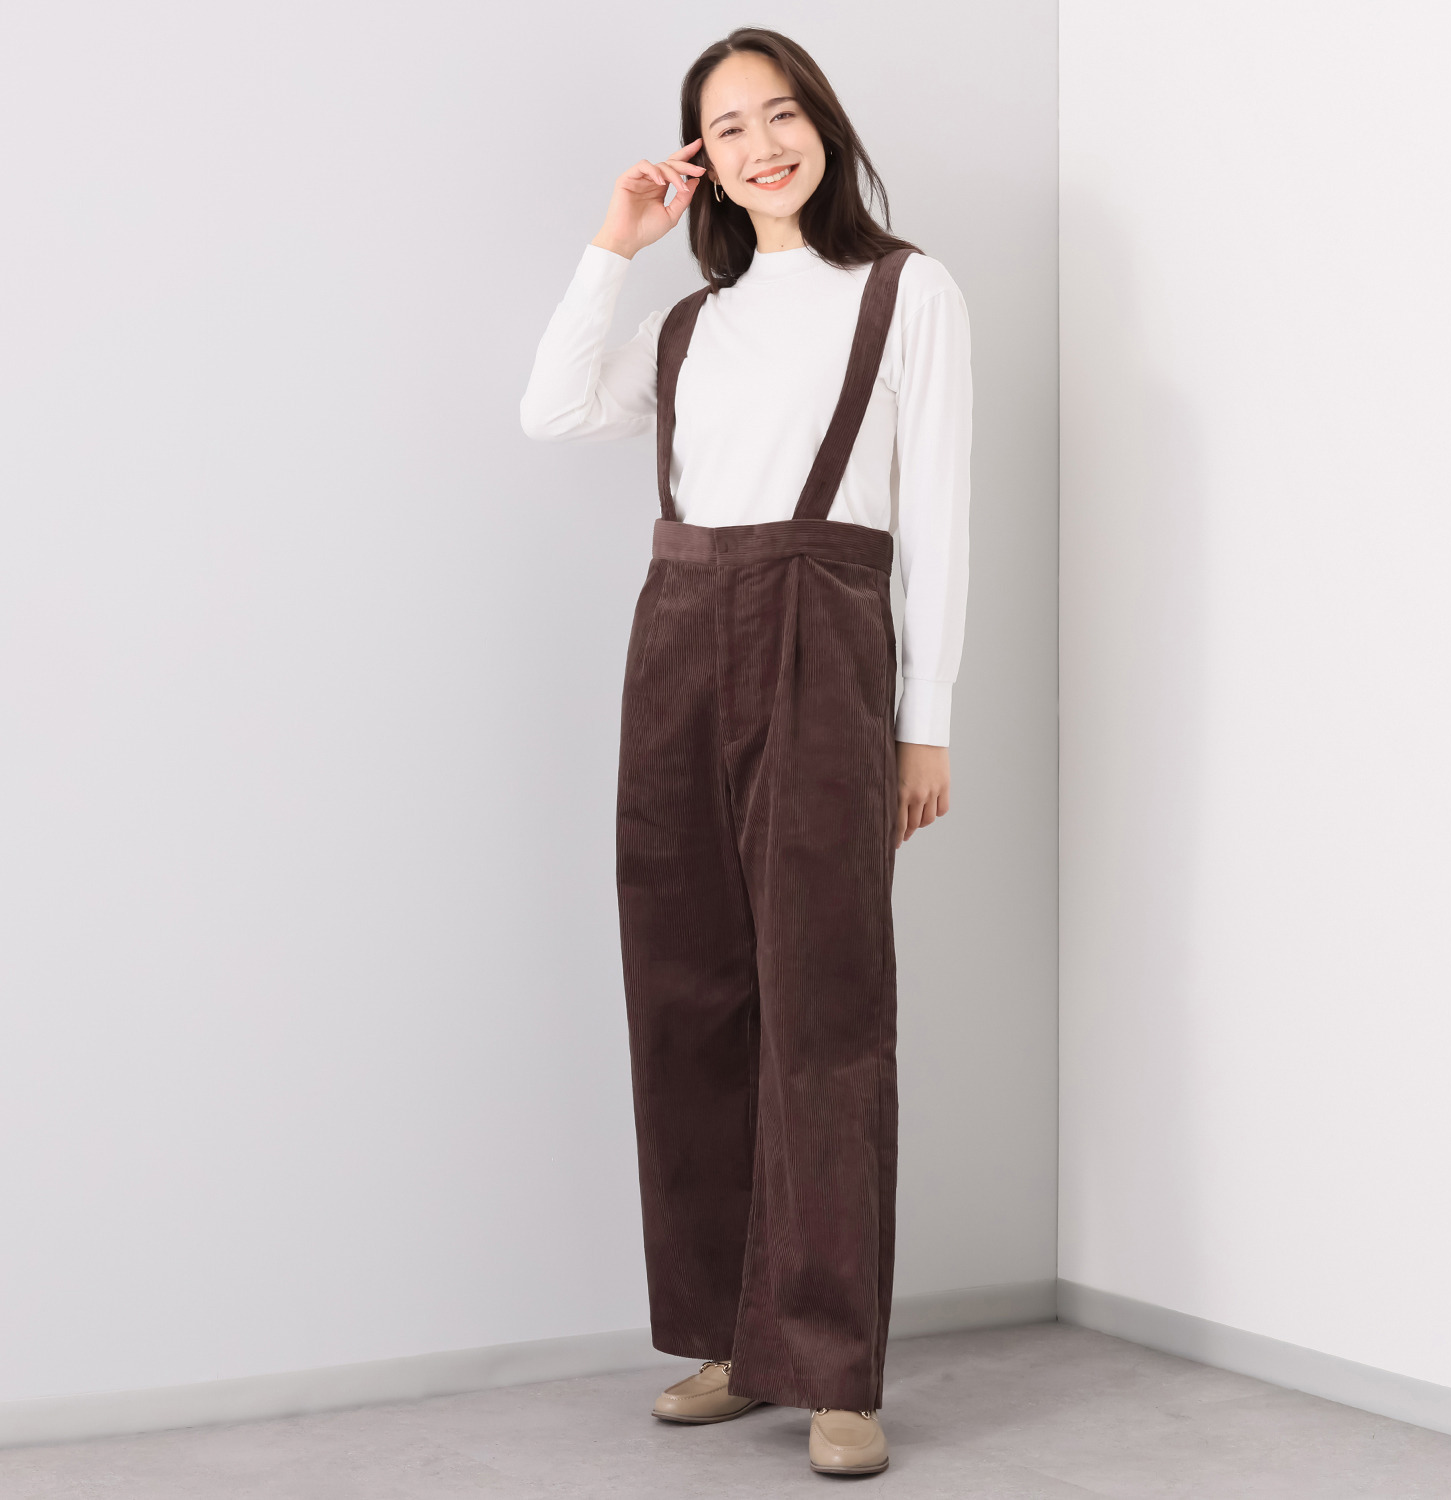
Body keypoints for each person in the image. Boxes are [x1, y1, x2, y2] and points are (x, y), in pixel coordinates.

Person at [520, 26, 971, 1479]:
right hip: (677, 639)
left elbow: (939, 514)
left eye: (783, 114)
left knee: (824, 1001)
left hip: (825, 636)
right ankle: (732, 1337)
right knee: (688, 993)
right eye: (727, 127)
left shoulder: (905, 291)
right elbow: (550, 410)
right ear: (699, 160)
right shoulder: (689, 324)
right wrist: (616, 244)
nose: (763, 143)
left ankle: (834, 1365)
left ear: (823, 125)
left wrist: (925, 721)